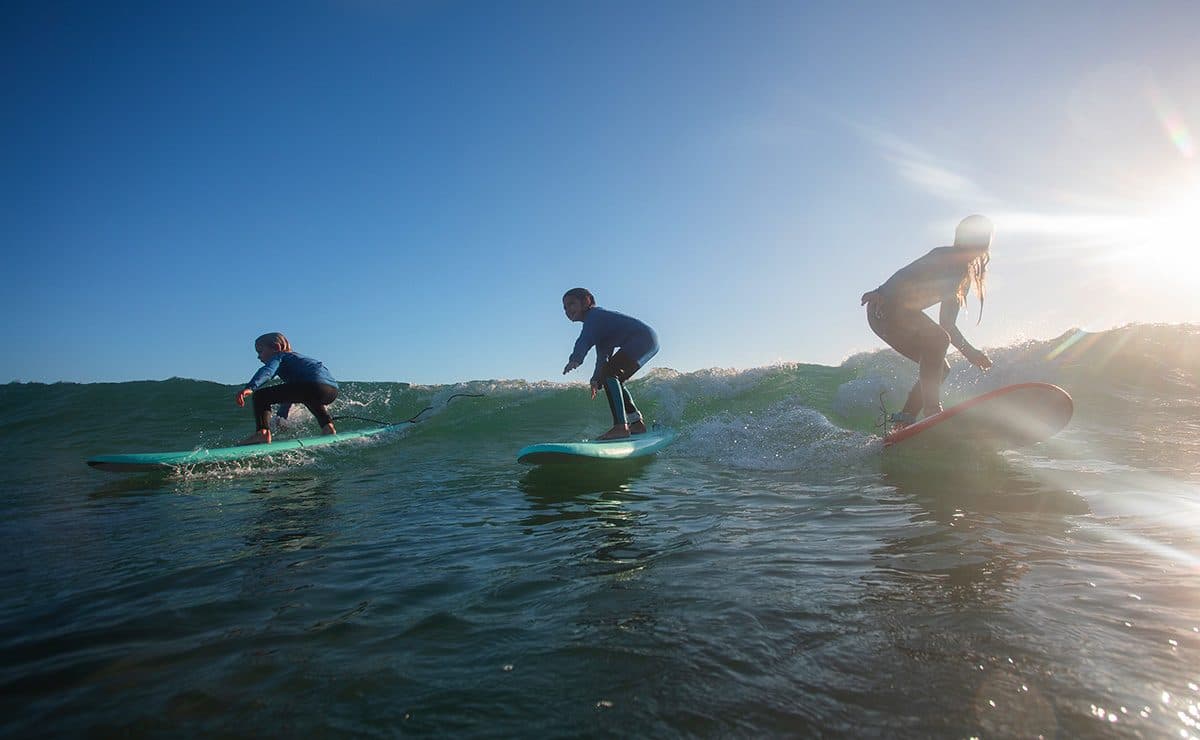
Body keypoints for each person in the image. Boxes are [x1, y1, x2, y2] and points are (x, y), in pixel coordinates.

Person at [860, 215, 995, 427]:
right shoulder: (943, 255)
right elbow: (907, 273)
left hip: (900, 314)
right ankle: (932, 410)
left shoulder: (962, 280)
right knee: (939, 340)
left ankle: (904, 420)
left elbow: (947, 324)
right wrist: (881, 292)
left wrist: (971, 353)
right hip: (884, 305)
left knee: (942, 368)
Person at [561, 288, 660, 440]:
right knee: (614, 377)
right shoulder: (599, 326)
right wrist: (596, 379)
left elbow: (584, 340)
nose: (568, 310)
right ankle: (637, 424)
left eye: (571, 304)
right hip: (647, 340)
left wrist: (576, 358)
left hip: (642, 339)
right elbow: (603, 356)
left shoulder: (594, 317)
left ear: (587, 300)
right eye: (565, 307)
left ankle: (621, 427)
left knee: (610, 373)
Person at [235, 332, 339, 445]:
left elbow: (268, 371)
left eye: (260, 351)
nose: (258, 356)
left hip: (312, 386)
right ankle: (327, 426)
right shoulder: (299, 359)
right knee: (309, 397)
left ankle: (262, 433)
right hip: (331, 390)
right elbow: (291, 395)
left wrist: (251, 387)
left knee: (260, 396)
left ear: (276, 347)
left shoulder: (280, 356)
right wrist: (281, 418)